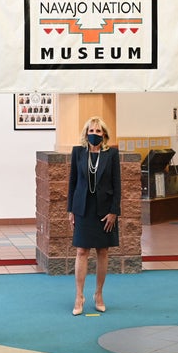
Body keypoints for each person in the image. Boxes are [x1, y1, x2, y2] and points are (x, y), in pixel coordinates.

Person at [67, 116, 121, 316]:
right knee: (82, 251)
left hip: (104, 210)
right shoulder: (78, 152)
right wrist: (70, 209)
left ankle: (98, 294)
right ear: (86, 133)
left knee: (103, 251)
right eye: (91, 130)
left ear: (104, 135)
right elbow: (72, 182)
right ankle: (79, 296)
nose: (94, 134)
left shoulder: (112, 154)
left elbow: (117, 185)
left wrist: (114, 211)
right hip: (83, 208)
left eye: (98, 131)